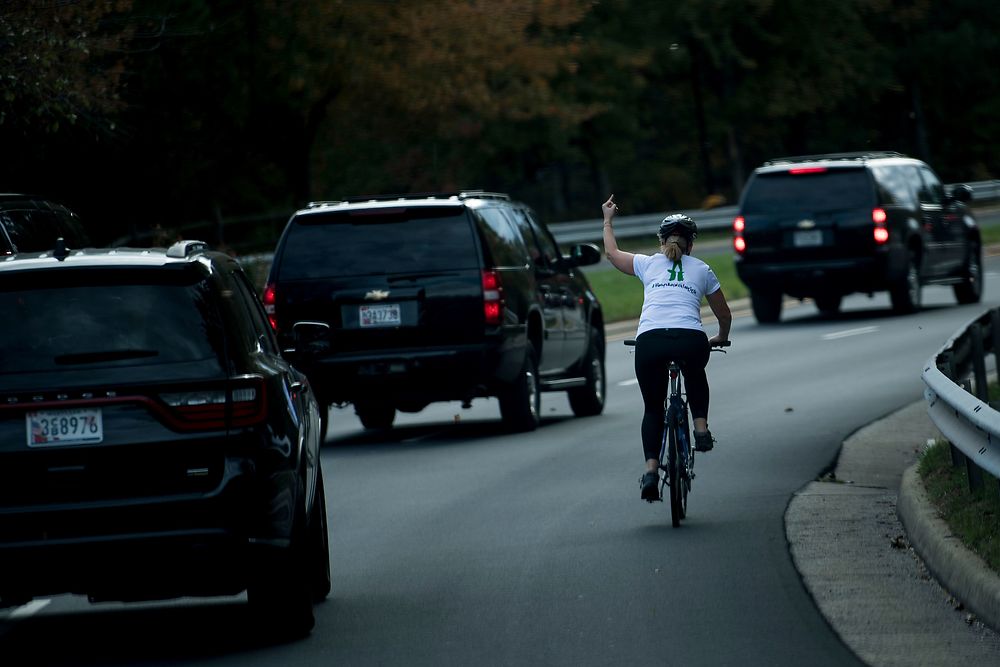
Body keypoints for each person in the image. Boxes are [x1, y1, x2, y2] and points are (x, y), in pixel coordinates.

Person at [601, 194, 732, 502]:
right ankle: (701, 429)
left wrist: (607, 220)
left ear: (661, 241)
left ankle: (650, 472)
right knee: (695, 372)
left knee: (652, 408)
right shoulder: (702, 268)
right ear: (691, 244)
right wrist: (720, 336)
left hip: (650, 341)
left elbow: (612, 253)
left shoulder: (647, 264)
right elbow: (724, 314)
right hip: (690, 339)